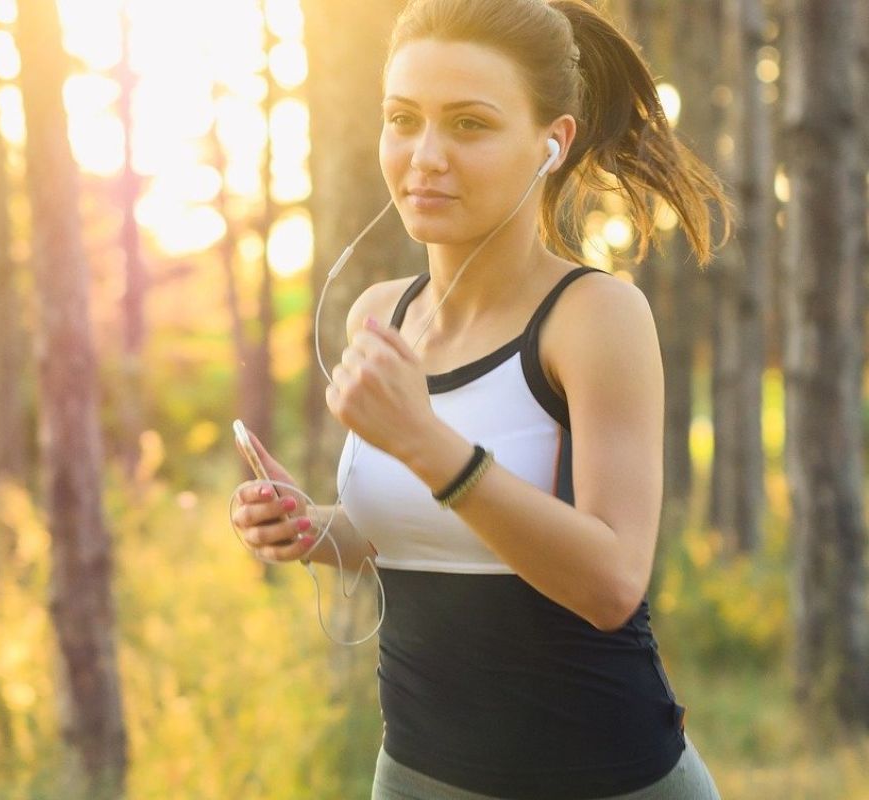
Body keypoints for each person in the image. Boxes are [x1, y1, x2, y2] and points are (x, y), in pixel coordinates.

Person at [231, 0, 733, 797]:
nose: (425, 156)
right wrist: (310, 528)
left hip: (608, 778)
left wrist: (429, 445)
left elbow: (611, 584)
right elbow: (418, 538)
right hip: (419, 774)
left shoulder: (593, 318)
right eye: (404, 119)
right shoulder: (380, 315)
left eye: (469, 124)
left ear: (552, 142)